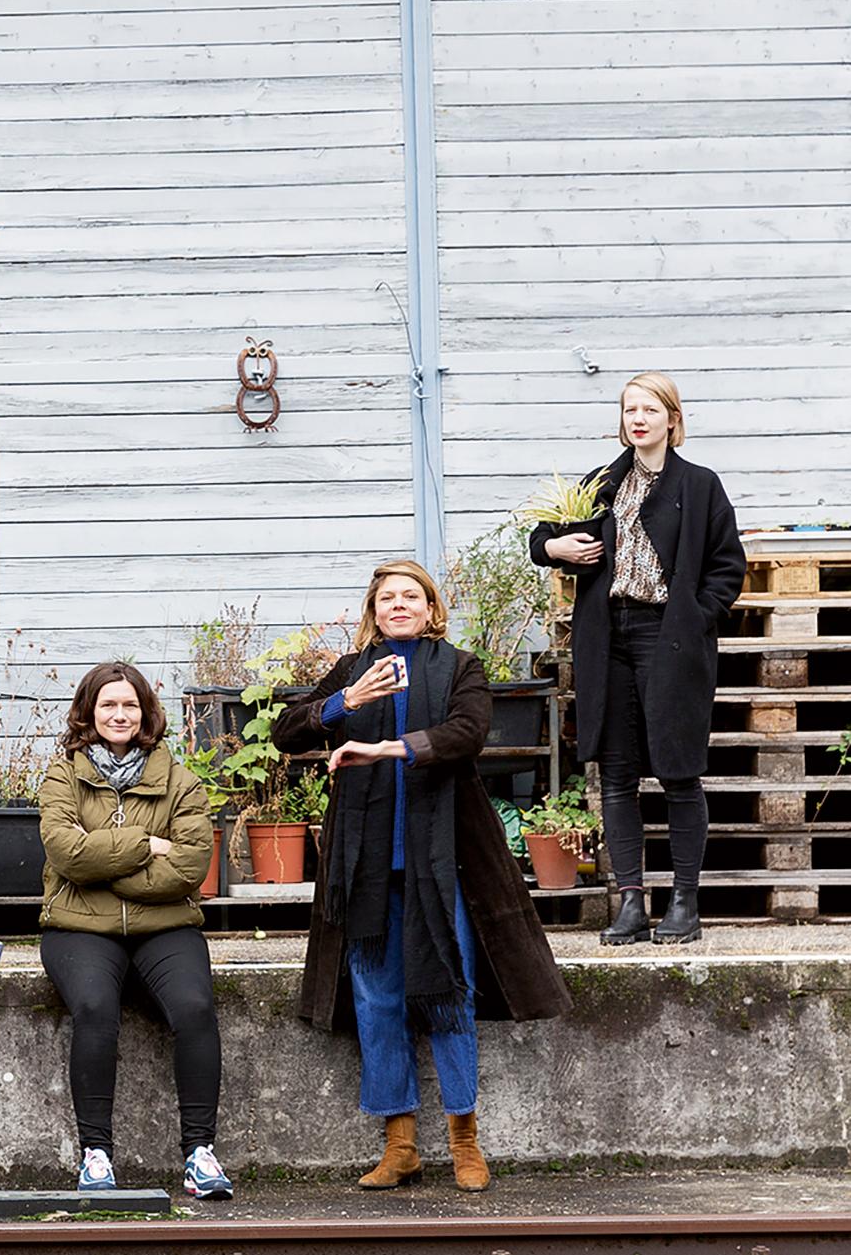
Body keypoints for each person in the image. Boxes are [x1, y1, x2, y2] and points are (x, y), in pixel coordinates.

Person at [275, 559, 570, 1193]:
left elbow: (467, 734)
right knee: (377, 999)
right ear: (373, 611)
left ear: (431, 607)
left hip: (443, 867)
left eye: (411, 596)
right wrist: (345, 703)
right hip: (367, 869)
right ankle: (400, 1144)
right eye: (387, 598)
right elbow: (284, 732)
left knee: (449, 994)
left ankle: (465, 1139)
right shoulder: (356, 671)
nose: (399, 605)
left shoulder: (458, 666)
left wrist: (384, 747)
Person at [527, 371, 745, 946]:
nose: (638, 419)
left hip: (668, 636)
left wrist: (696, 616)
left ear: (673, 418)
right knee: (617, 775)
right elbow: (543, 537)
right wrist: (557, 547)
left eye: (649, 409)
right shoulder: (602, 483)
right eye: (630, 410)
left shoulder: (699, 485)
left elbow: (729, 566)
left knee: (677, 771)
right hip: (608, 638)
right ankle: (630, 901)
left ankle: (684, 902)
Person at [37, 661, 227, 1199]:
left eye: (129, 705)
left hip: (165, 925)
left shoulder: (181, 783)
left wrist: (107, 873)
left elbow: (191, 865)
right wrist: (146, 845)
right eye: (108, 705)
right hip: (78, 927)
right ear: (89, 714)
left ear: (145, 713)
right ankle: (96, 1156)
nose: (119, 715)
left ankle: (199, 1153)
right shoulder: (62, 777)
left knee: (194, 1009)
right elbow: (67, 855)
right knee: (95, 1008)